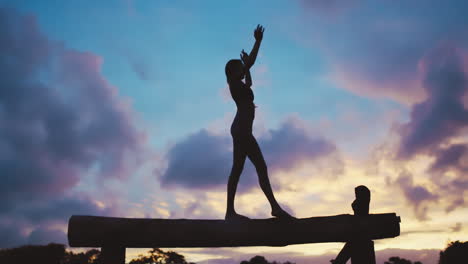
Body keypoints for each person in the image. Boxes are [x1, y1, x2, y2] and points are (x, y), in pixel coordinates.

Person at [224, 25, 294, 220]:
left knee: (238, 169)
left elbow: (250, 83)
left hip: (241, 130)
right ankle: (274, 208)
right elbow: (251, 64)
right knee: (259, 167)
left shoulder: (240, 84)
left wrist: (247, 67)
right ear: (232, 72)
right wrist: (257, 42)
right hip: (242, 131)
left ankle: (231, 212)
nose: (243, 68)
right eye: (240, 66)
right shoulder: (233, 84)